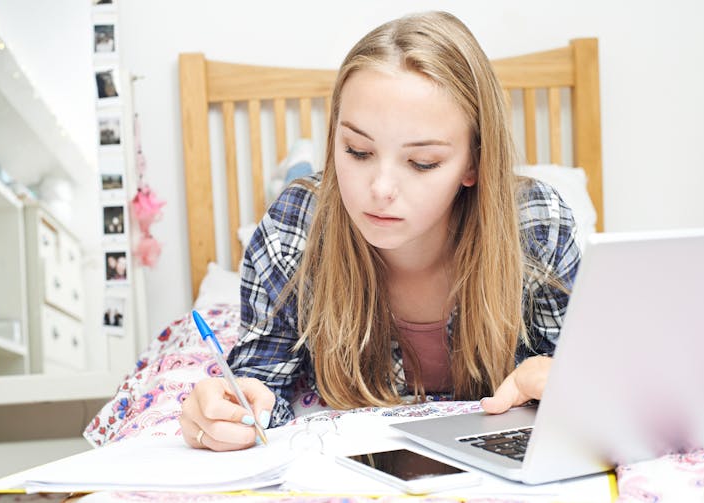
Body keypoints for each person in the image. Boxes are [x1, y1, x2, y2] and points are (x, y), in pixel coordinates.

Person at [180, 11, 580, 452]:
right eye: (357, 150)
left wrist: (568, 379)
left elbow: (588, 376)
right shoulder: (294, 229)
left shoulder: (536, 227)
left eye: (422, 162)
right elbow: (259, 384)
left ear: (474, 162)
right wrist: (231, 412)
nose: (380, 190)